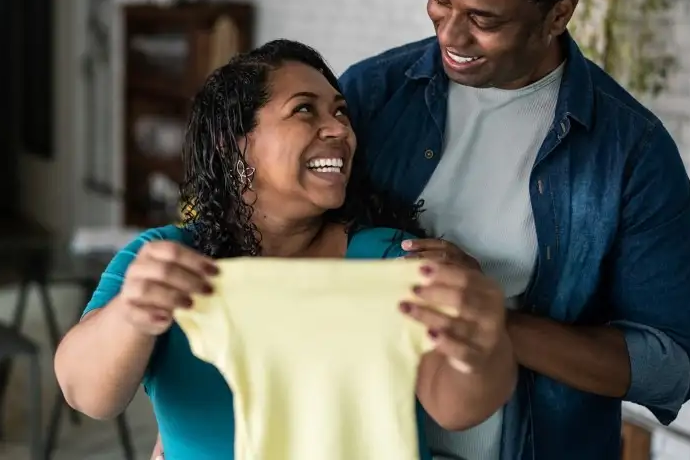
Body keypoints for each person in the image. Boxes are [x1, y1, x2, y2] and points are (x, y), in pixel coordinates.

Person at [336, 0, 690, 459]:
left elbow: (670, 366)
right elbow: (276, 234)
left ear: (559, 12)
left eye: (483, 20)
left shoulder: (630, 153)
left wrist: (490, 319)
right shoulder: (371, 94)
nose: (450, 36)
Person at [54, 39, 517, 460]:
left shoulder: (386, 263)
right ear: (235, 145)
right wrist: (132, 315)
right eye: (304, 111)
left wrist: (477, 344)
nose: (338, 129)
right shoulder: (167, 262)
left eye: (340, 112)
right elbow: (86, 393)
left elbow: (457, 406)